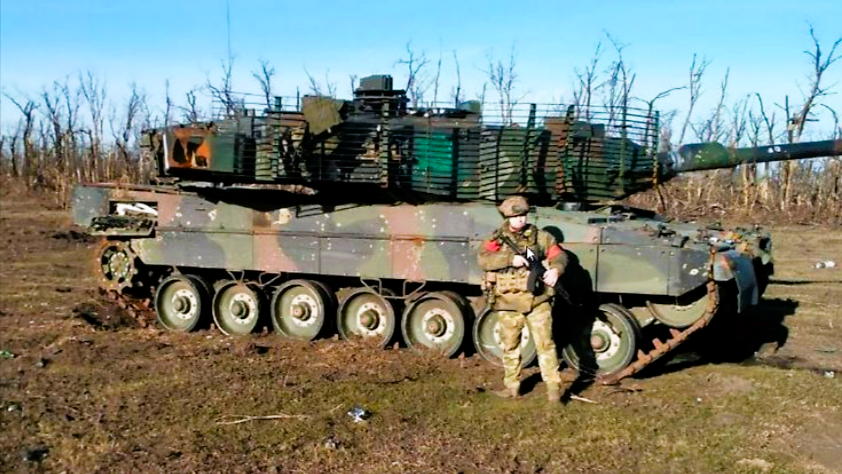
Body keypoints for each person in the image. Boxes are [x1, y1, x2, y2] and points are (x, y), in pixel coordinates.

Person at [477, 195, 568, 403]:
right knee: (510, 346)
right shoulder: (497, 238)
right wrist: (510, 259)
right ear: (507, 217)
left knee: (546, 344)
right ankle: (512, 386)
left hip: (537, 299)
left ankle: (553, 390)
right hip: (507, 300)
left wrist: (556, 270)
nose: (520, 220)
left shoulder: (541, 237)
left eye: (523, 215)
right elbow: (483, 259)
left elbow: (558, 255)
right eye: (515, 216)